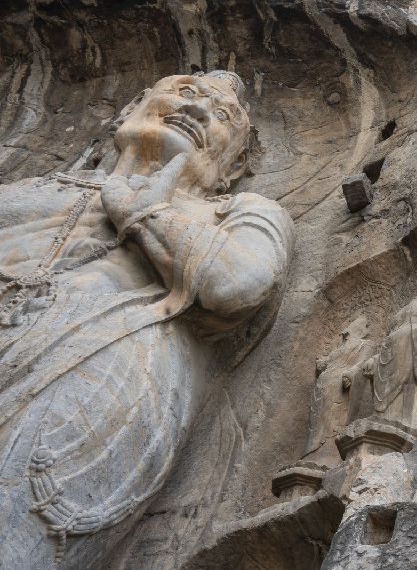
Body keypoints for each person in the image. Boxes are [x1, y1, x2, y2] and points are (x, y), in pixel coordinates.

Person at [0, 71, 293, 568]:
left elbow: (238, 283)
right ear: (131, 107)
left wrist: (147, 213)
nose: (197, 110)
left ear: (235, 163)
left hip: (89, 375)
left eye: (221, 116)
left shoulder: (235, 211)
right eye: (185, 93)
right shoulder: (31, 190)